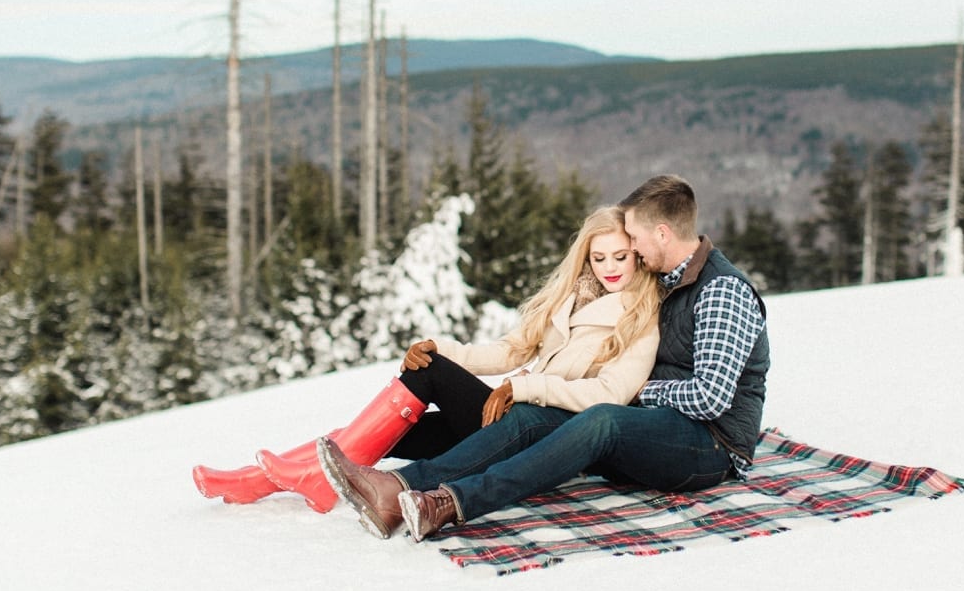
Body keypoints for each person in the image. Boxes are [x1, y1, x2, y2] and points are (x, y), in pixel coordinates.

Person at [319, 173, 771, 541]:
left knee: (603, 418)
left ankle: (447, 502)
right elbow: (518, 347)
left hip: (712, 445)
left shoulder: (720, 291)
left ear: (662, 233)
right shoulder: (666, 280)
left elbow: (710, 399)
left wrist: (640, 391)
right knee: (531, 417)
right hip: (648, 424)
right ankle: (381, 477)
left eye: (632, 239)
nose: (628, 250)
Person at [191, 205, 662, 513]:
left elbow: (612, 394)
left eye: (620, 256)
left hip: (548, 431)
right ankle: (256, 481)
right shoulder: (569, 297)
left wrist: (526, 387)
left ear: (638, 257)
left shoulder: (641, 315)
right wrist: (442, 348)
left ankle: (299, 481)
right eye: (599, 258)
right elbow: (510, 350)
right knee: (401, 418)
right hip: (509, 408)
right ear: (585, 259)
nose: (610, 268)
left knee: (406, 405)